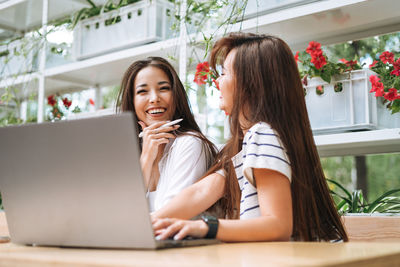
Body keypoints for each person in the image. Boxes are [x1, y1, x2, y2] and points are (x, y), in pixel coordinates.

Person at [152, 33, 348, 242]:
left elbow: (278, 225)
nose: (217, 82)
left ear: (251, 84)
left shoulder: (262, 134)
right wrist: (147, 223)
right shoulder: (246, 148)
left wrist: (205, 227)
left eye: (224, 73)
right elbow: (200, 192)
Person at [117, 57, 217, 212]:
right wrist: (146, 158)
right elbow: (120, 214)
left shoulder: (190, 143)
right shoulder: (132, 153)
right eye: (142, 91)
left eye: (163, 88)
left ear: (176, 95)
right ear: (132, 101)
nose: (154, 99)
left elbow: (171, 216)